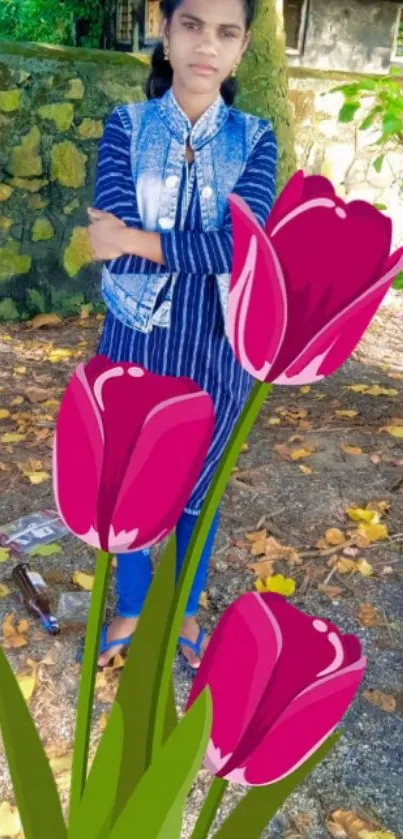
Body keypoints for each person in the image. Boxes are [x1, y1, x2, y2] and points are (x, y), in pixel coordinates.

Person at [86, 0, 278, 673]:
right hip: (135, 334)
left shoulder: (256, 138)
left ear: (241, 48)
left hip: (222, 341)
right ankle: (135, 605)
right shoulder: (126, 127)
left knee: (201, 484)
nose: (206, 45)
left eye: (226, 33)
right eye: (191, 24)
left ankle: (186, 605)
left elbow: (236, 249)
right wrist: (156, 245)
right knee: (131, 481)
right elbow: (111, 251)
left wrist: (136, 237)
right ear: (163, 31)